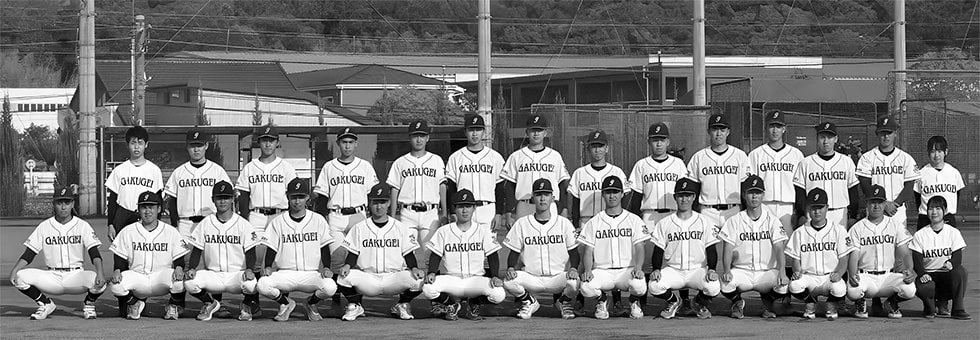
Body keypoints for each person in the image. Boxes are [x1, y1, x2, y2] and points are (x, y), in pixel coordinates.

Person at [9, 186, 106, 320]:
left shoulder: (82, 225)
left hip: (76, 276)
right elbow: (30, 253)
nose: (63, 207)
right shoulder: (45, 226)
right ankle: (45, 303)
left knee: (99, 281)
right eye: (59, 203)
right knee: (20, 276)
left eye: (67, 202)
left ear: (72, 204)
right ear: (54, 204)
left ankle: (89, 304)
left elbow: (93, 252)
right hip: (52, 277)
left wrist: (100, 272)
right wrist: (15, 269)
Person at [336, 183, 425, 321]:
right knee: (342, 278)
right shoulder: (360, 228)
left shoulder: (400, 227)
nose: (379, 206)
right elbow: (353, 253)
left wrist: (414, 267)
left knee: (420, 280)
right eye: (375, 202)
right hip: (368, 278)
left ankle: (401, 304)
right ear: (369, 203)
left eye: (382, 202)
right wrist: (347, 265)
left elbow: (408, 253)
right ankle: (356, 305)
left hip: (393, 278)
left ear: (389, 203)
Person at [626, 122, 690, 312]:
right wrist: (634, 220)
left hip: (673, 215)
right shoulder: (641, 165)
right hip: (649, 215)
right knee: (645, 260)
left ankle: (684, 301)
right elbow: (636, 195)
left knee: (678, 257)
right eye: (655, 140)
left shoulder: (678, 164)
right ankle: (640, 300)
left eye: (662, 140)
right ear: (649, 142)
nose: (659, 144)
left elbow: (685, 191)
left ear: (668, 141)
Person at [256, 178, 337, 322]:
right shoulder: (278, 221)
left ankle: (311, 303)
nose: (297, 201)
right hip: (285, 273)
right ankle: (285, 303)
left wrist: (327, 268)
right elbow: (271, 248)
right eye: (294, 197)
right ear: (287, 197)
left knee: (330, 287)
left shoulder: (318, 220)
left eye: (301, 197)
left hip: (311, 274)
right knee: (262, 284)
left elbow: (325, 247)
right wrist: (268, 266)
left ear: (307, 198)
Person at [568, 129, 630, 314]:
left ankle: (617, 302)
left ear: (607, 148)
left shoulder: (616, 171)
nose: (597, 150)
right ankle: (580, 300)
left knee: (612, 259)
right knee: (583, 263)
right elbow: (575, 200)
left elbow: (624, 199)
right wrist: (575, 223)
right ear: (588, 149)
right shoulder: (580, 173)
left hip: (611, 223)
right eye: (593, 146)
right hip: (587, 222)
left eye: (600, 146)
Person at [105, 125, 162, 316]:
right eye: (132, 143)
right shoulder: (120, 170)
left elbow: (158, 199)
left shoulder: (153, 170)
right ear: (127, 145)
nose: (136, 147)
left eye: (140, 143)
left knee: (141, 259)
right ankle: (125, 304)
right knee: (121, 261)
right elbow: (112, 199)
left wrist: (158, 224)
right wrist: (111, 223)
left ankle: (140, 302)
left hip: (143, 216)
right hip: (123, 214)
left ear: (146, 145)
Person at [182, 181, 260, 321]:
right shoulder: (206, 223)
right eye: (219, 198)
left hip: (236, 275)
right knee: (189, 282)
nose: (222, 201)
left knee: (252, 283)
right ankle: (211, 303)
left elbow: (250, 252)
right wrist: (192, 268)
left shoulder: (243, 224)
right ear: (213, 200)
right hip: (214, 275)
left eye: (226, 197)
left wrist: (249, 269)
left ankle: (246, 304)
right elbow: (197, 249)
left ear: (232, 199)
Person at [422, 189, 506, 321]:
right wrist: (432, 272)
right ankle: (451, 304)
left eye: (468, 206)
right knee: (427, 288)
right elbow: (436, 255)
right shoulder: (444, 231)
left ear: (474, 208)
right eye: (461, 206)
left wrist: (495, 276)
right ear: (455, 209)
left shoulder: (483, 231)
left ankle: (474, 304)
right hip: (451, 280)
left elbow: (493, 255)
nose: (465, 210)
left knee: (499, 294)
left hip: (475, 280)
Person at [503, 178, 580, 319]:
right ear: (533, 198)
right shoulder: (522, 223)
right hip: (532, 278)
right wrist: (510, 268)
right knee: (508, 281)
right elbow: (513, 252)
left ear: (553, 198)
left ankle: (563, 302)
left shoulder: (564, 224)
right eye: (539, 195)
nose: (542, 198)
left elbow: (574, 252)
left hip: (558, 277)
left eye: (546, 194)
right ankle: (529, 301)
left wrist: (574, 268)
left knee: (575, 282)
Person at [109, 191, 190, 320]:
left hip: (161, 277)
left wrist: (179, 267)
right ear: (138, 210)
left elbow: (179, 257)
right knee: (115, 285)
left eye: (151, 207)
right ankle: (134, 304)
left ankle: (173, 306)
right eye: (144, 207)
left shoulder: (170, 231)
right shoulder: (128, 231)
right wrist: (117, 270)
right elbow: (119, 257)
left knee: (181, 280)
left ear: (158, 209)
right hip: (138, 277)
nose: (147, 211)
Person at [717, 175, 790, 319]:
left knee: (785, 285)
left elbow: (779, 249)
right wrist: (726, 270)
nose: (754, 196)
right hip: (742, 271)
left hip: (766, 272)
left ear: (763, 195)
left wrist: (782, 271)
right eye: (751, 192)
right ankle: (737, 302)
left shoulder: (772, 220)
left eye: (757, 192)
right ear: (744, 195)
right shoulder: (735, 220)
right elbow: (728, 249)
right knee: (724, 283)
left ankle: (768, 302)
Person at [648, 178, 721, 320]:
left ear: (693, 197)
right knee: (654, 286)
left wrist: (712, 269)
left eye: (688, 195)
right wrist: (656, 269)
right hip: (673, 270)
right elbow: (658, 249)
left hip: (697, 269)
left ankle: (698, 303)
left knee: (714, 287)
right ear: (675, 197)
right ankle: (674, 301)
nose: (684, 199)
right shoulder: (665, 223)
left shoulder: (704, 221)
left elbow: (711, 248)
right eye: (681, 195)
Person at [578, 176, 649, 319]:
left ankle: (633, 301)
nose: (612, 196)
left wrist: (639, 267)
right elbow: (588, 251)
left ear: (622, 194)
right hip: (603, 271)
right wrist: (587, 270)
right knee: (586, 286)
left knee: (639, 285)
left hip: (626, 270)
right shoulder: (594, 221)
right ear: (603, 194)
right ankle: (602, 301)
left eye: (616, 192)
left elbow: (640, 247)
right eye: (608, 192)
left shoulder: (633, 219)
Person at [313, 127, 379, 274]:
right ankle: (335, 295)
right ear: (338, 143)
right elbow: (322, 196)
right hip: (336, 216)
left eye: (350, 142)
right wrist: (322, 217)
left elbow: (373, 194)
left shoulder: (365, 166)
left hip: (359, 215)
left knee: (361, 259)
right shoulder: (329, 167)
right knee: (336, 258)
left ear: (356, 144)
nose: (347, 146)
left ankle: (355, 296)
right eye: (344, 142)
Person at [784, 188, 858, 320]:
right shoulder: (800, 232)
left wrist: (839, 274)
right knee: (794, 285)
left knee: (840, 288)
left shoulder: (838, 230)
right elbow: (796, 260)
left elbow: (843, 259)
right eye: (813, 208)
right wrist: (797, 271)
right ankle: (810, 302)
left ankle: (831, 304)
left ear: (827, 208)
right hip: (808, 277)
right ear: (808, 209)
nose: (817, 211)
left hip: (828, 278)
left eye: (820, 207)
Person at [845, 184, 917, 319]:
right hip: (866, 277)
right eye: (873, 202)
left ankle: (891, 303)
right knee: (853, 291)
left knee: (909, 289)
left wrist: (909, 270)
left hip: (888, 277)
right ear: (867, 204)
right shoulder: (857, 228)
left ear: (885, 204)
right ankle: (861, 303)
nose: (876, 206)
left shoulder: (895, 225)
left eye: (879, 202)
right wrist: (853, 275)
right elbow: (853, 256)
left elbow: (905, 252)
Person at [235, 125, 297, 280]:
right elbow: (243, 195)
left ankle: (282, 296)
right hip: (257, 215)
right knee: (255, 257)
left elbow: (294, 194)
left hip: (280, 215)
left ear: (277, 142)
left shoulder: (286, 167)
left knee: (282, 258)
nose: (268, 144)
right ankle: (253, 296)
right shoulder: (250, 167)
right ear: (259, 142)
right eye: (264, 141)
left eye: (271, 140)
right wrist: (244, 217)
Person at [386, 120, 447, 272]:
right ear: (409, 138)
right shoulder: (400, 162)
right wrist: (392, 217)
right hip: (407, 213)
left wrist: (444, 213)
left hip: (430, 213)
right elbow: (394, 190)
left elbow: (442, 187)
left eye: (422, 136)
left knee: (431, 253)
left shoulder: (436, 160)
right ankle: (407, 291)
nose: (419, 139)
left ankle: (434, 291)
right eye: (415, 136)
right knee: (405, 253)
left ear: (428, 138)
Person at [686, 113, 751, 230]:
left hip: (733, 211)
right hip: (707, 211)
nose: (719, 133)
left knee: (735, 248)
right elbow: (692, 188)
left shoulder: (740, 156)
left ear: (728, 132)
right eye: (715, 129)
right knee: (708, 248)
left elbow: (745, 187)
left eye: (722, 129)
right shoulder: (699, 157)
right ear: (708, 131)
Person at [910, 196, 971, 320]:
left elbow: (958, 258)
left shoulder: (953, 232)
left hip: (946, 275)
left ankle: (957, 309)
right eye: (931, 208)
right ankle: (929, 306)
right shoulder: (920, 234)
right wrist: (922, 274)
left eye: (938, 208)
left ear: (945, 211)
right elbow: (917, 262)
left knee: (961, 271)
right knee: (924, 285)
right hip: (929, 276)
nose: (934, 212)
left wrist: (951, 263)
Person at [502, 114, 571, 222]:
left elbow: (562, 184)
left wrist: (564, 208)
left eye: (539, 130)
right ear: (527, 132)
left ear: (545, 133)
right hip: (525, 205)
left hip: (550, 205)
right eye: (533, 130)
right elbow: (509, 186)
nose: (536, 133)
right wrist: (509, 211)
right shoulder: (516, 156)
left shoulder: (555, 156)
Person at [164, 128, 231, 239]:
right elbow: (172, 201)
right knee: (185, 256)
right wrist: (174, 224)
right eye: (192, 146)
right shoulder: (179, 172)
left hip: (211, 222)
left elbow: (228, 198)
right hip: (185, 224)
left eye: (199, 145)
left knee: (211, 256)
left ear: (206, 146)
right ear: (187, 147)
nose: (196, 149)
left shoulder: (217, 171)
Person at [856, 115, 920, 229]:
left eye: (889, 132)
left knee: (899, 245)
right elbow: (865, 185)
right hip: (874, 209)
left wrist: (895, 204)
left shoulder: (905, 158)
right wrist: (883, 204)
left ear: (895, 133)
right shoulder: (867, 158)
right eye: (882, 133)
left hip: (897, 210)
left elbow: (909, 187)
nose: (886, 136)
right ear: (877, 134)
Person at [793, 122, 859, 228]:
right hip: (814, 213)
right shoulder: (806, 163)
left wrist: (853, 216)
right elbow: (800, 192)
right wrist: (801, 214)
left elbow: (853, 190)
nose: (825, 141)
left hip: (840, 213)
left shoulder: (846, 161)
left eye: (829, 137)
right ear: (817, 138)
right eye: (822, 137)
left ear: (836, 139)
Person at [445, 113, 506, 229]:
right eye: (471, 130)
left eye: (478, 130)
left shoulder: (495, 157)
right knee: (465, 246)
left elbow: (500, 189)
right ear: (465, 132)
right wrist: (452, 212)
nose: (474, 134)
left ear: (483, 132)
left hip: (488, 209)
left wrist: (499, 214)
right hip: (463, 210)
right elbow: (451, 189)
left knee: (489, 246)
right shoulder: (455, 157)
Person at [748, 110, 804, 237]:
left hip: (788, 207)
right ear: (766, 128)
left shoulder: (796, 154)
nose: (775, 130)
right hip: (764, 205)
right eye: (772, 126)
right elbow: (750, 186)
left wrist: (799, 211)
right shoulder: (756, 154)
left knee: (787, 246)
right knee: (765, 245)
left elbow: (800, 186)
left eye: (778, 127)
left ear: (784, 129)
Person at [914, 136, 965, 228]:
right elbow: (917, 198)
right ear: (928, 153)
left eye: (940, 151)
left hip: (948, 218)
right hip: (926, 219)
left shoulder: (954, 173)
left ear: (946, 152)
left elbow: (957, 195)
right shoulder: (921, 174)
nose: (936, 155)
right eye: (933, 151)